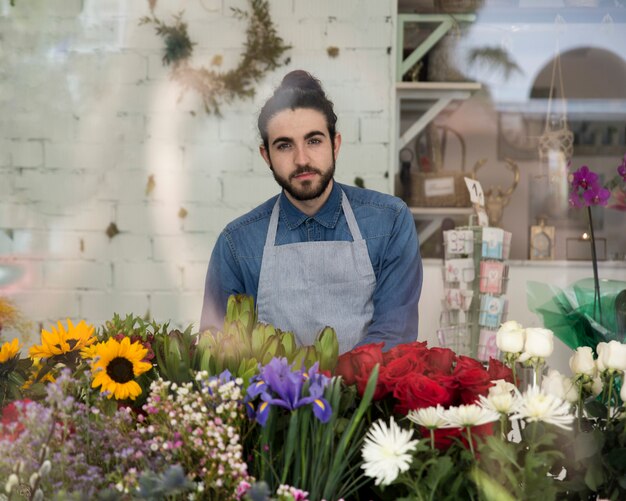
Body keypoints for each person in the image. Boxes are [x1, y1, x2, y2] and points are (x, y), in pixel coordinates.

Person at [201, 70, 422, 353]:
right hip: (270, 397)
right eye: (284, 146)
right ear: (266, 155)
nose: (302, 159)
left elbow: (394, 334)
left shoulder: (390, 221)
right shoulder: (236, 243)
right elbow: (219, 349)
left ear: (335, 144)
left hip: (368, 397)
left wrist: (325, 387)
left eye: (314, 141)